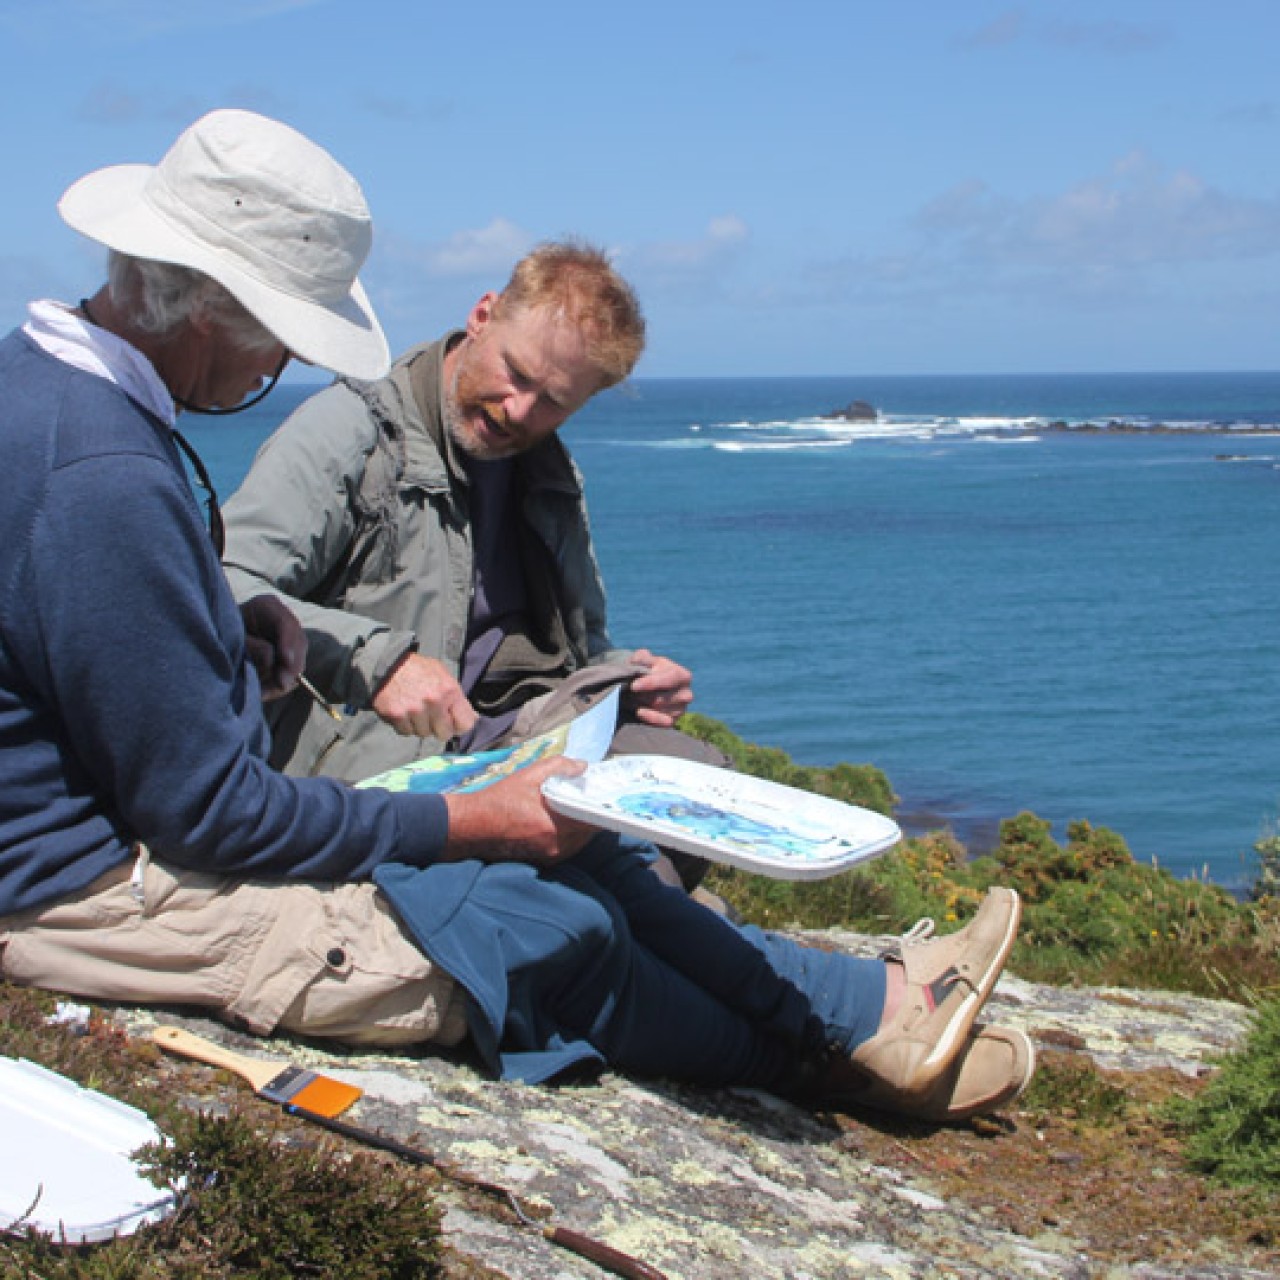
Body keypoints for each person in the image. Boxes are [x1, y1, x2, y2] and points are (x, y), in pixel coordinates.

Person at [0, 109, 1032, 1123]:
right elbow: (211, 811)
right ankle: (846, 1054)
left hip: (105, 839)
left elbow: (109, 651)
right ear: (208, 308)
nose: (278, 364)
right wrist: (463, 816)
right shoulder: (105, 474)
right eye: (279, 331)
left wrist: (241, 631)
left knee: (564, 871)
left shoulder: (46, 394)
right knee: (551, 927)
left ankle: (861, 1023)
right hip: (85, 887)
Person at [219, 242, 723, 893]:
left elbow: (577, 644)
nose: (518, 410)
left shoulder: (548, 471)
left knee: (698, 782)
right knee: (617, 890)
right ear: (482, 315)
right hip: (367, 772)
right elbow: (220, 583)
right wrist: (378, 661)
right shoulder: (354, 432)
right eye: (516, 373)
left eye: (552, 401)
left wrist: (630, 676)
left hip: (508, 741)